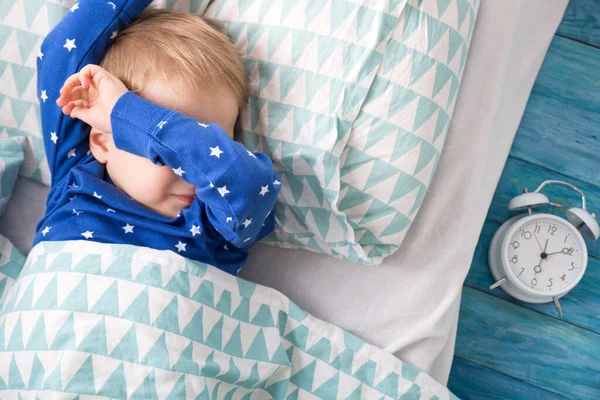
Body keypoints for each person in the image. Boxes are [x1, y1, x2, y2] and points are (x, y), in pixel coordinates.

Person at [34, 0, 280, 275]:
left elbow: (248, 182)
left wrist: (130, 114)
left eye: (213, 141)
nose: (191, 172)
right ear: (103, 141)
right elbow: (61, 51)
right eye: (162, 153)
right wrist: (124, 115)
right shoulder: (73, 178)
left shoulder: (217, 225)